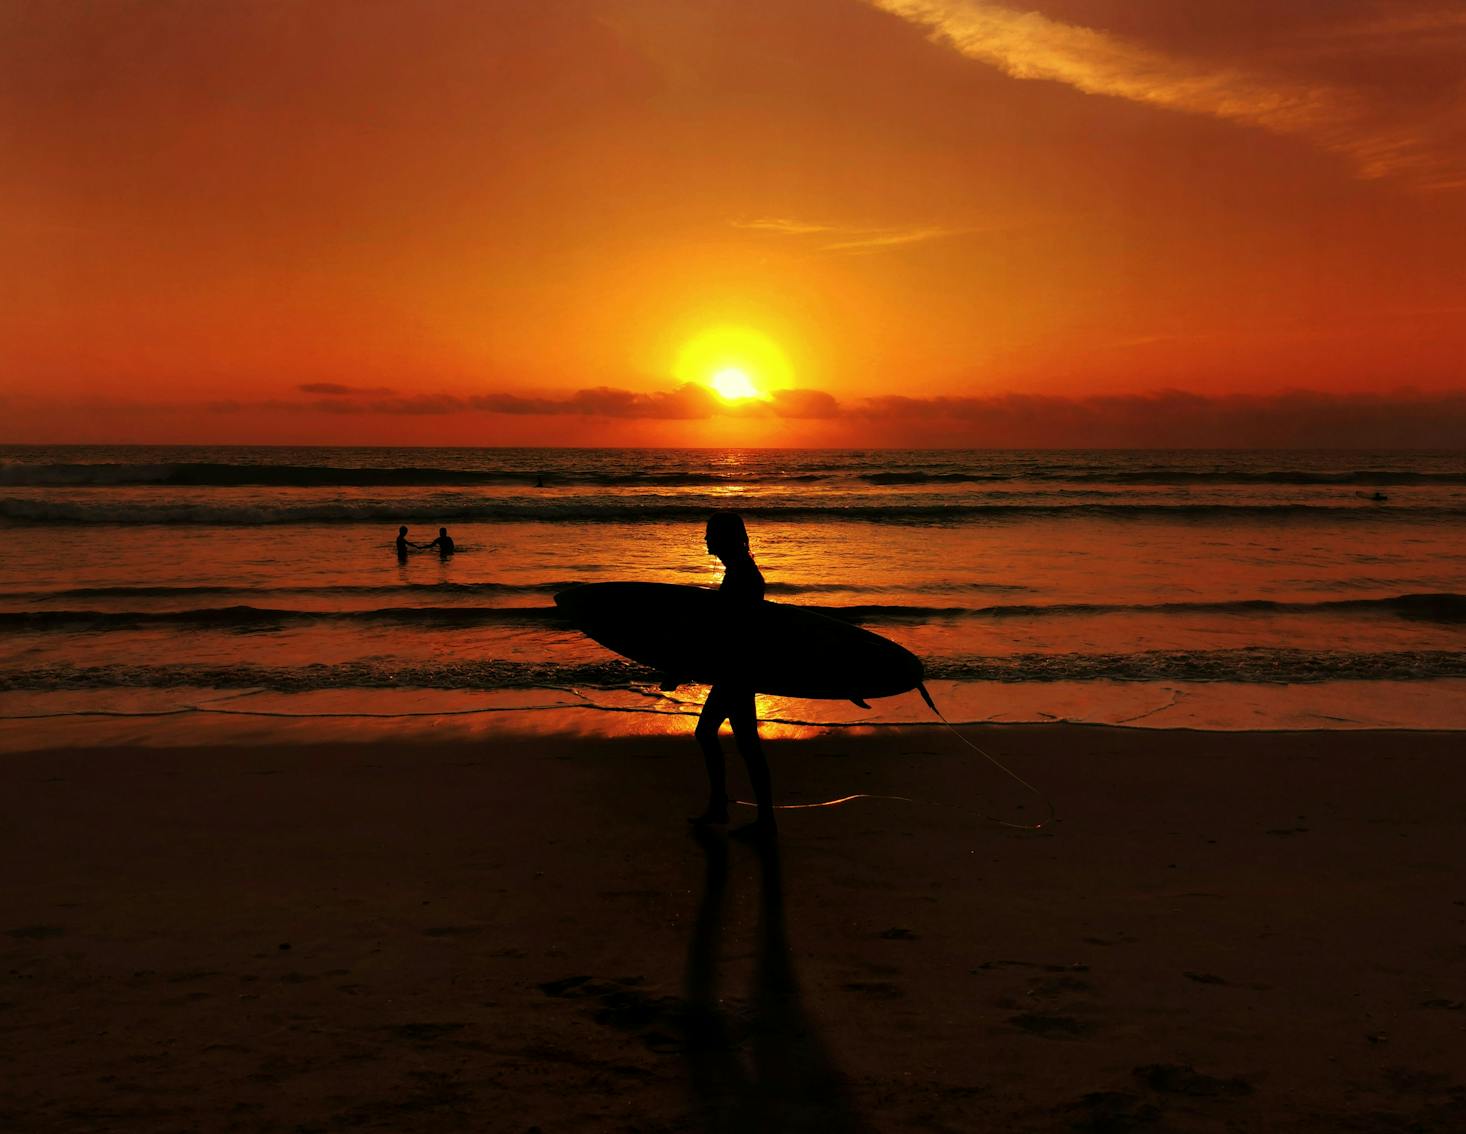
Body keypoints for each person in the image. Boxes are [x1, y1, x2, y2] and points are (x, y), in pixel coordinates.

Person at [692, 510, 776, 838]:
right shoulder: (739, 572)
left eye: (710, 533)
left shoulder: (742, 575)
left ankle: (728, 808)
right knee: (744, 743)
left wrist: (688, 666)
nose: (705, 539)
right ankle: (738, 811)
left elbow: (733, 632)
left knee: (714, 735)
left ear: (725, 537)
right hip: (739, 670)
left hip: (737, 672)